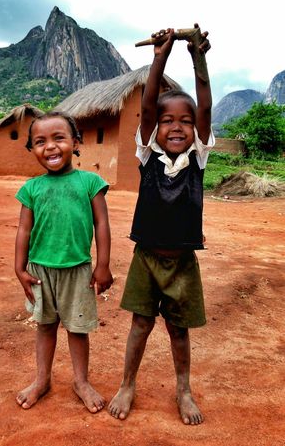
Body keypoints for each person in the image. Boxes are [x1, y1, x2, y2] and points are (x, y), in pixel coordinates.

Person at [108, 25, 214, 425]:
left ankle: (183, 389)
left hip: (183, 262)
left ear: (195, 130)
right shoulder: (147, 154)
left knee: (179, 331)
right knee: (139, 324)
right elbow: (149, 105)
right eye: (168, 121)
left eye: (185, 122)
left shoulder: (199, 158)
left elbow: (204, 105)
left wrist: (197, 57)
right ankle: (127, 384)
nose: (176, 127)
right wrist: (159, 57)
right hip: (146, 259)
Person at [15, 111, 113, 413]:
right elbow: (24, 230)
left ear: (76, 142)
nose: (51, 147)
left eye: (59, 138)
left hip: (78, 270)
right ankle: (42, 379)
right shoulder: (32, 188)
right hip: (40, 271)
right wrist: (19, 268)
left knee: (77, 329)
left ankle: (80, 382)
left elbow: (102, 224)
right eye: (40, 142)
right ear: (32, 150)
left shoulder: (90, 182)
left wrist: (103, 264)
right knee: (45, 327)